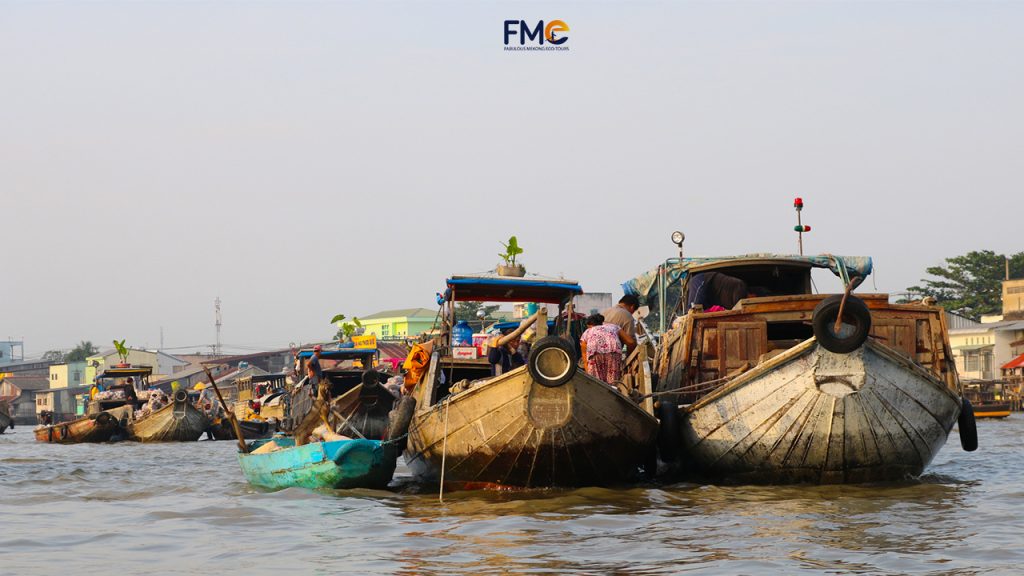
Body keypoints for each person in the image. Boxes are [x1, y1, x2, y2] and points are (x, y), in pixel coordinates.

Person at [579, 313, 624, 385]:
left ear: (589, 325)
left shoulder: (587, 331)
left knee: (596, 384)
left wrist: (588, 373)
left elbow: (584, 356)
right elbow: (630, 341)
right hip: (613, 352)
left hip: (594, 354)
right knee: (613, 383)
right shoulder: (614, 327)